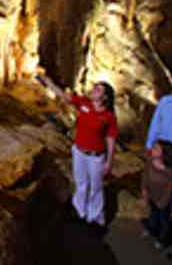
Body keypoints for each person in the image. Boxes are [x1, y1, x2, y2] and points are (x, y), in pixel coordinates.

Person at [41, 77, 119, 228]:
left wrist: (109, 161)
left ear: (105, 97)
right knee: (81, 183)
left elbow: (111, 138)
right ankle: (79, 213)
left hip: (96, 156)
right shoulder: (84, 103)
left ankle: (95, 218)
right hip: (79, 152)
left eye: (98, 89)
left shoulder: (109, 117)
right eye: (95, 87)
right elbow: (64, 97)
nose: (93, 90)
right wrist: (49, 83)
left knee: (96, 187)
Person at [140, 139, 172, 250]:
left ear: (164, 152)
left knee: (164, 221)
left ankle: (162, 240)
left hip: (163, 202)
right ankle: (151, 229)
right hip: (152, 197)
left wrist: (162, 203)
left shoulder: (169, 170)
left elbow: (169, 189)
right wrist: (144, 190)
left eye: (156, 148)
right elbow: (145, 175)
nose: (152, 149)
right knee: (152, 215)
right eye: (153, 147)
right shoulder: (150, 161)